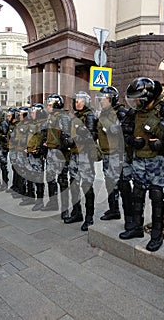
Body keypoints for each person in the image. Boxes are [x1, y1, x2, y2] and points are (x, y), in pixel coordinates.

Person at [119, 77, 164, 252]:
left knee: (156, 195)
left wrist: (163, 143)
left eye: (137, 98)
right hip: (139, 158)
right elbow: (123, 129)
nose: (135, 102)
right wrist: (131, 140)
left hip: (157, 160)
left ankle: (157, 234)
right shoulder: (135, 112)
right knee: (138, 192)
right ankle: (137, 227)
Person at [64, 91, 98, 231]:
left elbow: (91, 135)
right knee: (73, 183)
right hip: (74, 154)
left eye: (81, 100)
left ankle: (89, 217)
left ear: (87, 102)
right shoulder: (76, 116)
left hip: (85, 155)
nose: (77, 103)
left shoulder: (89, 116)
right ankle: (76, 212)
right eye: (76, 100)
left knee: (87, 186)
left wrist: (74, 140)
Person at [96, 86, 125, 221]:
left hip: (115, 154)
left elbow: (116, 130)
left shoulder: (119, 112)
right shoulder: (104, 112)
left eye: (103, 99)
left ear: (111, 99)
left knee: (116, 183)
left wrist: (103, 121)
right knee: (109, 182)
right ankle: (113, 209)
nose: (101, 101)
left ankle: (121, 213)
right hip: (107, 154)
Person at [41, 94, 71, 218]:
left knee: (62, 180)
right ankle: (53, 203)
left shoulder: (63, 117)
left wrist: (60, 149)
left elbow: (67, 136)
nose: (47, 106)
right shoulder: (50, 117)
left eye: (49, 104)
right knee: (50, 178)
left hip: (60, 153)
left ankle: (65, 209)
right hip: (50, 152)